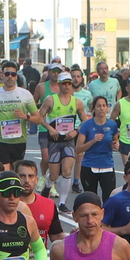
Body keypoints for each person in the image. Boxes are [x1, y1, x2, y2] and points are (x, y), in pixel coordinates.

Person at [38, 71, 85, 205]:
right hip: (54, 141)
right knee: (54, 175)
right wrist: (50, 128)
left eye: (69, 83)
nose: (66, 86)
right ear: (59, 84)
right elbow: (39, 117)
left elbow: (85, 121)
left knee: (67, 170)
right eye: (64, 83)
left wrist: (76, 131)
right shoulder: (51, 100)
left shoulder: (77, 102)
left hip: (68, 140)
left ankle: (62, 203)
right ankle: (48, 186)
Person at [0, 61, 41, 171]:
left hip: (18, 140)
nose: (10, 77)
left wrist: (26, 117)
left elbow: (38, 119)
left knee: (16, 172)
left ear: (16, 77)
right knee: (4, 171)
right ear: (2, 75)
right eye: (7, 74)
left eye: (13, 74)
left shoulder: (25, 94)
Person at [78, 95, 121, 198]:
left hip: (107, 165)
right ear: (94, 108)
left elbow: (115, 142)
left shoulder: (112, 125)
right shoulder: (86, 125)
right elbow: (78, 149)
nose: (101, 108)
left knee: (109, 199)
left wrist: (115, 145)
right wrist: (93, 140)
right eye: (98, 106)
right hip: (89, 165)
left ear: (107, 108)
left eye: (104, 106)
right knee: (91, 199)